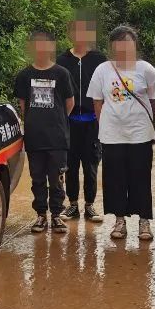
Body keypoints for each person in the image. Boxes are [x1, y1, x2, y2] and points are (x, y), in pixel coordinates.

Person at [87, 25, 155, 242]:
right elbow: (97, 102)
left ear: (134, 46)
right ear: (112, 47)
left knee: (141, 177)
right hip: (112, 135)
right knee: (115, 178)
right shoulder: (102, 70)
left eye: (127, 46)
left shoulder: (146, 70)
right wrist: (106, 125)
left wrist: (144, 122)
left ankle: (144, 221)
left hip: (140, 135)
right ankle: (120, 220)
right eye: (119, 46)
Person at [14, 30, 76, 234]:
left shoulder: (62, 74)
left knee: (57, 179)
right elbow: (23, 105)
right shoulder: (24, 75)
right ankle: (41, 215)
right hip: (34, 137)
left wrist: (55, 120)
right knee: (37, 179)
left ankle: (57, 215)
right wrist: (35, 121)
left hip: (57, 138)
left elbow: (70, 103)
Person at [56, 14, 108, 222]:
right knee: (70, 164)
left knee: (91, 164)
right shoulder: (62, 61)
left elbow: (107, 89)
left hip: (92, 121)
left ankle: (90, 205)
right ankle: (73, 205)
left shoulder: (99, 60)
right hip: (69, 121)